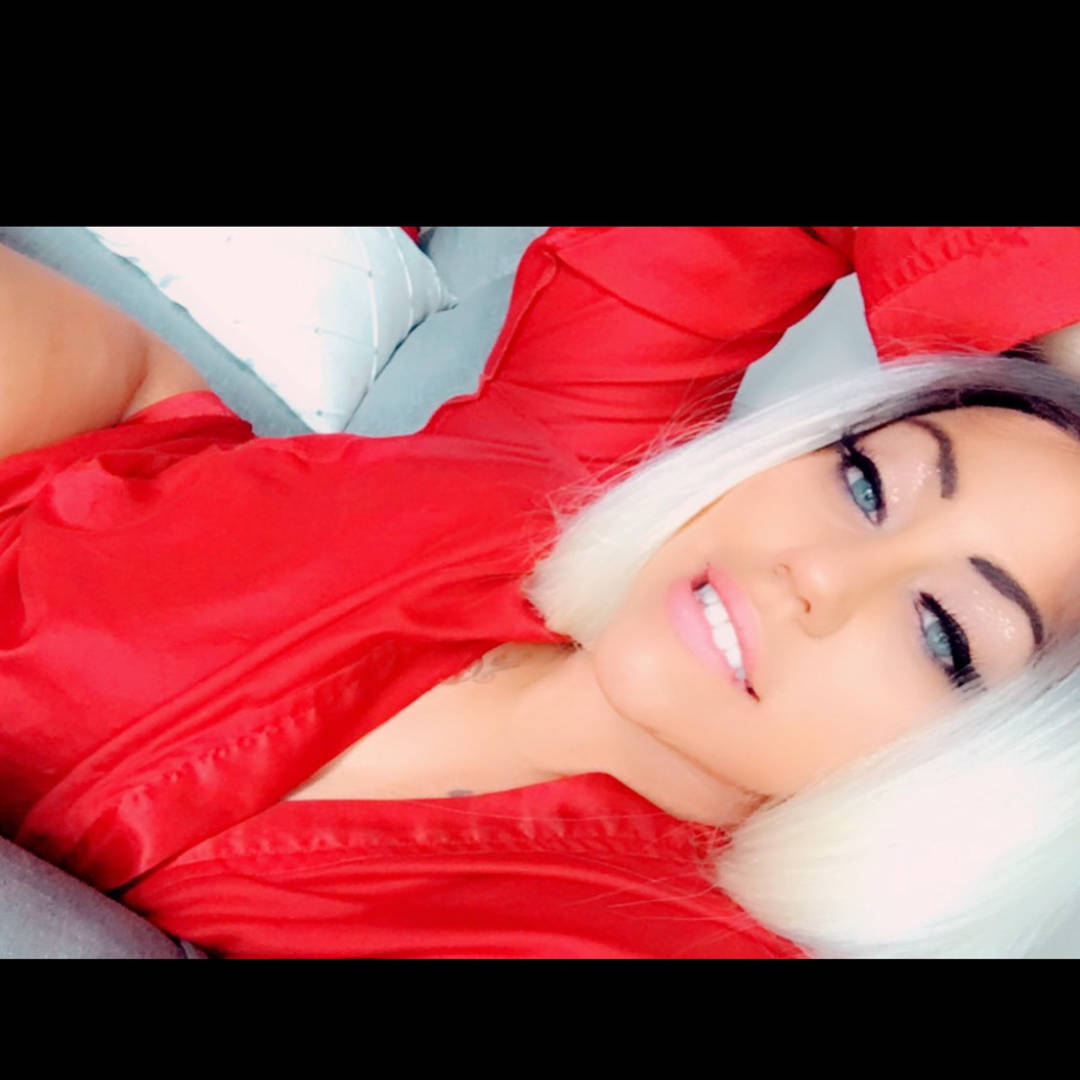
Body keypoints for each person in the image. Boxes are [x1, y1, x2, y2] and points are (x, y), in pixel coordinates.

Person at [7, 226, 1080, 959]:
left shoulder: (640, 939)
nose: (819, 573)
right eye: (868, 483)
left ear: (1003, 788)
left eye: (944, 633)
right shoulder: (566, 466)